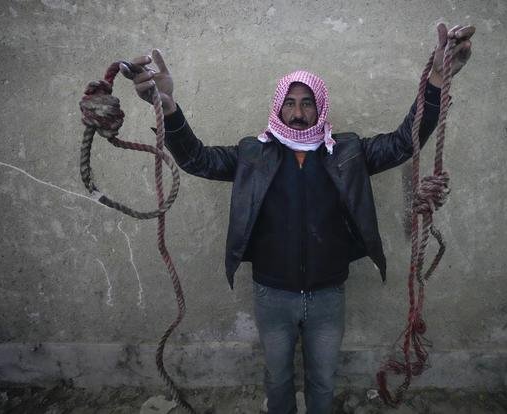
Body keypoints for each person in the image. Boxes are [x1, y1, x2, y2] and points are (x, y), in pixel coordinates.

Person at [122, 22, 474, 414]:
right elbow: (196, 159)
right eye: (290, 103)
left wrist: (438, 80)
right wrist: (168, 109)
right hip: (272, 294)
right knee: (278, 380)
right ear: (278, 107)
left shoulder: (347, 152)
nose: (298, 112)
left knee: (323, 381)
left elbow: (401, 143)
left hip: (328, 295)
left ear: (320, 107)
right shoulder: (253, 155)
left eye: (307, 103)